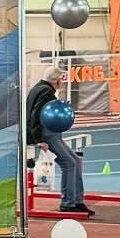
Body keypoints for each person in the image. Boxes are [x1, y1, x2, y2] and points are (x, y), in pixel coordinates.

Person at [27, 73, 88, 216]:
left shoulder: (39, 88)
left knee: (75, 160)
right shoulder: (46, 92)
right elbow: (36, 115)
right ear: (57, 80)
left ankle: (77, 201)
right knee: (69, 163)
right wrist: (39, 139)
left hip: (49, 132)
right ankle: (68, 203)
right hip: (46, 134)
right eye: (61, 80)